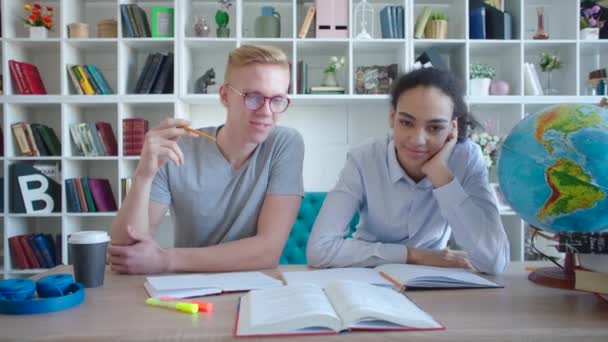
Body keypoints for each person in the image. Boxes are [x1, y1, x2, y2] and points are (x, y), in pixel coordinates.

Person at [109, 45, 304, 274]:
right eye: (253, 97)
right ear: (224, 96)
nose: (266, 112)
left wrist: (166, 260)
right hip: (189, 293)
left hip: (257, 289)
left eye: (277, 99)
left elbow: (267, 251)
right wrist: (143, 175)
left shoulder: (285, 144)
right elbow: (125, 252)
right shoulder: (177, 149)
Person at [306, 67, 509, 274]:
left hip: (433, 280)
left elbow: (494, 261)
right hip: (369, 274)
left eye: (435, 127)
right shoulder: (364, 159)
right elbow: (319, 250)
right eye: (406, 123)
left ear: (452, 128)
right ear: (392, 118)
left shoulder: (466, 158)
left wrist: (441, 174)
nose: (417, 140)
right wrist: (414, 255)